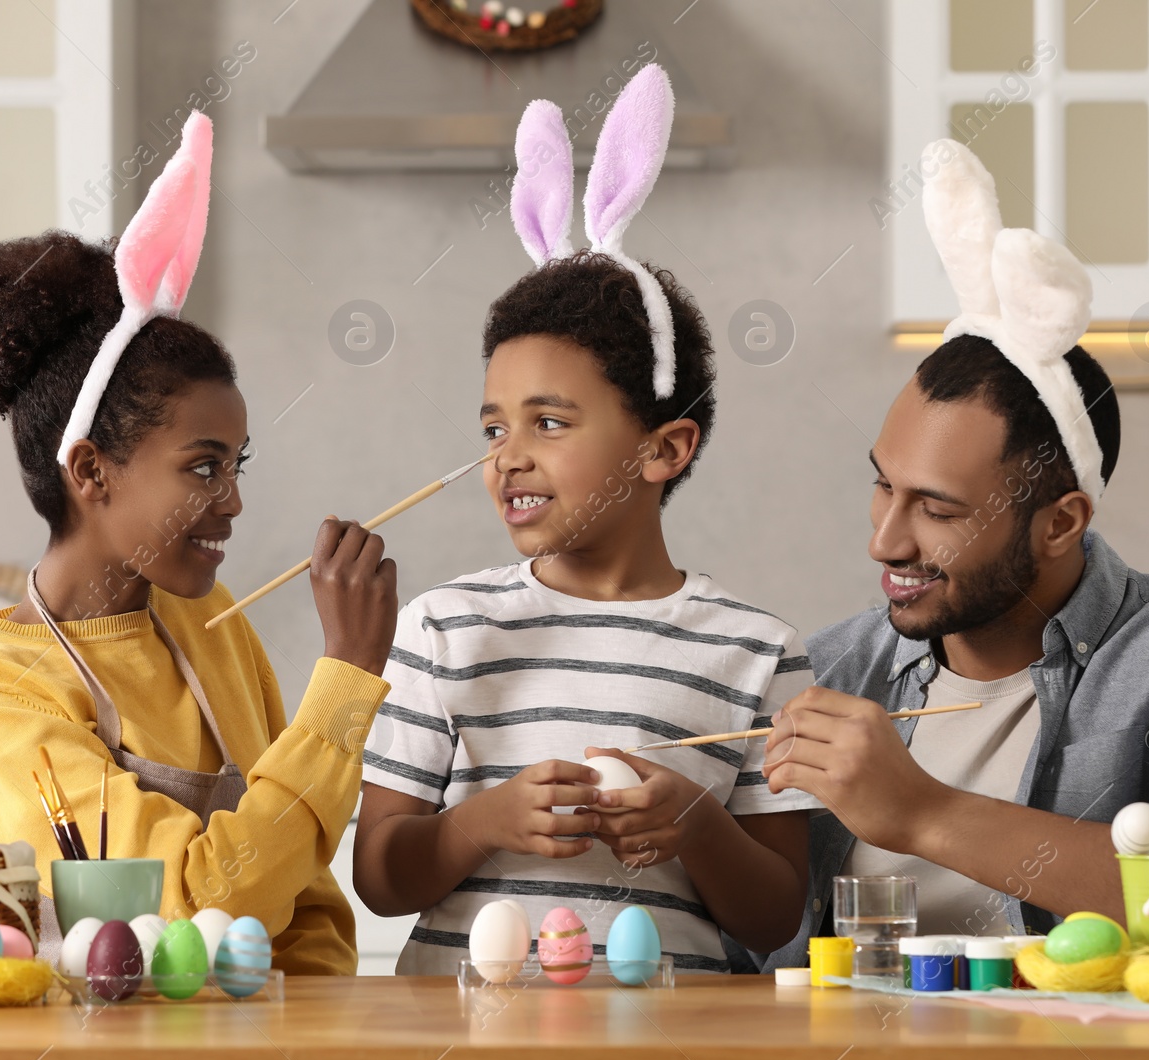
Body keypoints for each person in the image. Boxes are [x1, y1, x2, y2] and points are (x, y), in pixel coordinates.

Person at [744, 140, 1149, 971]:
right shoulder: (830, 670)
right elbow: (744, 951)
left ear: (1061, 522)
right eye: (884, 488)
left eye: (937, 508)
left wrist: (923, 813)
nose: (886, 540)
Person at [351, 68, 820, 975]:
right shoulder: (445, 629)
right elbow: (379, 874)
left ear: (664, 449)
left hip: (668, 1039)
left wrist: (698, 824)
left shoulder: (758, 649)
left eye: (550, 422)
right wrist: (482, 822)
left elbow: (775, 915)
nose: (508, 454)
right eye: (494, 426)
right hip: (463, 1036)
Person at [0, 114, 397, 974]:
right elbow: (187, 908)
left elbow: (311, 911)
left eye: (237, 464)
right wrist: (344, 687)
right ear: (91, 470)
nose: (235, 500)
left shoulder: (209, 619)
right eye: (203, 467)